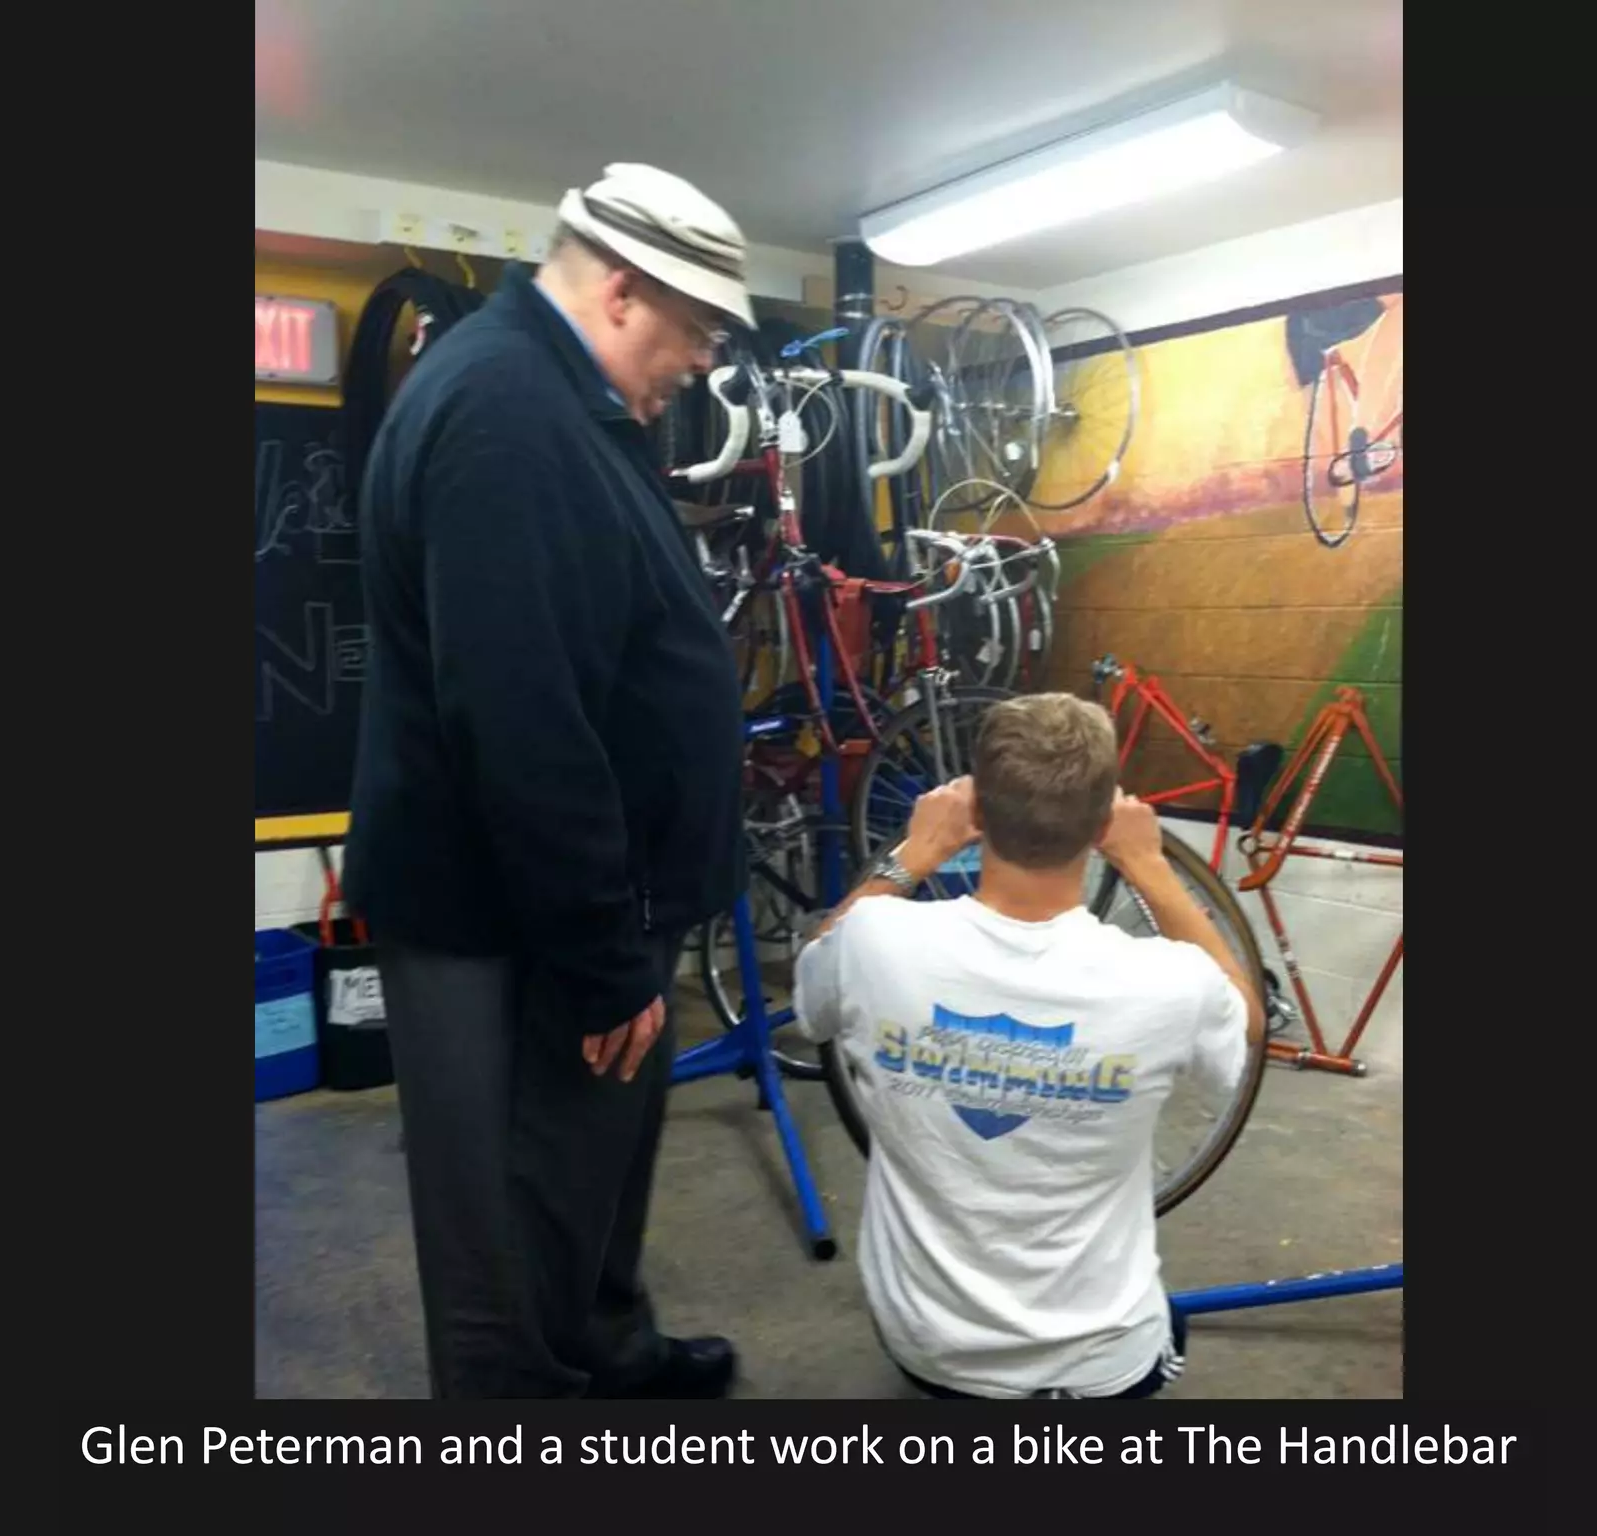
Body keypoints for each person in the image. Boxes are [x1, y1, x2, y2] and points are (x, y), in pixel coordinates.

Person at [341, 163, 756, 1398]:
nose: (696, 366)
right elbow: (520, 718)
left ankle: (607, 1347)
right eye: (694, 335)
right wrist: (598, 953)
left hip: (584, 898)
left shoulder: (565, 398)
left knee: (591, 1166)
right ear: (624, 290)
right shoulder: (506, 415)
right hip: (496, 916)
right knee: (504, 1218)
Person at [792, 693, 1265, 1399]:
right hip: (1102, 1362)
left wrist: (916, 850)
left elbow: (812, 991)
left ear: (974, 812)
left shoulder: (874, 941)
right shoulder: (1169, 983)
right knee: (1164, 1331)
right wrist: (1150, 865)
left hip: (928, 1346)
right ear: (1103, 824)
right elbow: (1248, 1019)